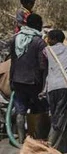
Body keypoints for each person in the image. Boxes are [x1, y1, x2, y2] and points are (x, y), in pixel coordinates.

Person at [10, 13, 48, 142]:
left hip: (17, 79)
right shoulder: (39, 42)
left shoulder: (15, 39)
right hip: (34, 82)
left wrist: (11, 80)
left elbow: (13, 61)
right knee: (36, 109)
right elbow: (42, 66)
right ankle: (35, 139)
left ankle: (21, 140)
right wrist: (44, 86)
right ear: (38, 25)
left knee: (20, 111)